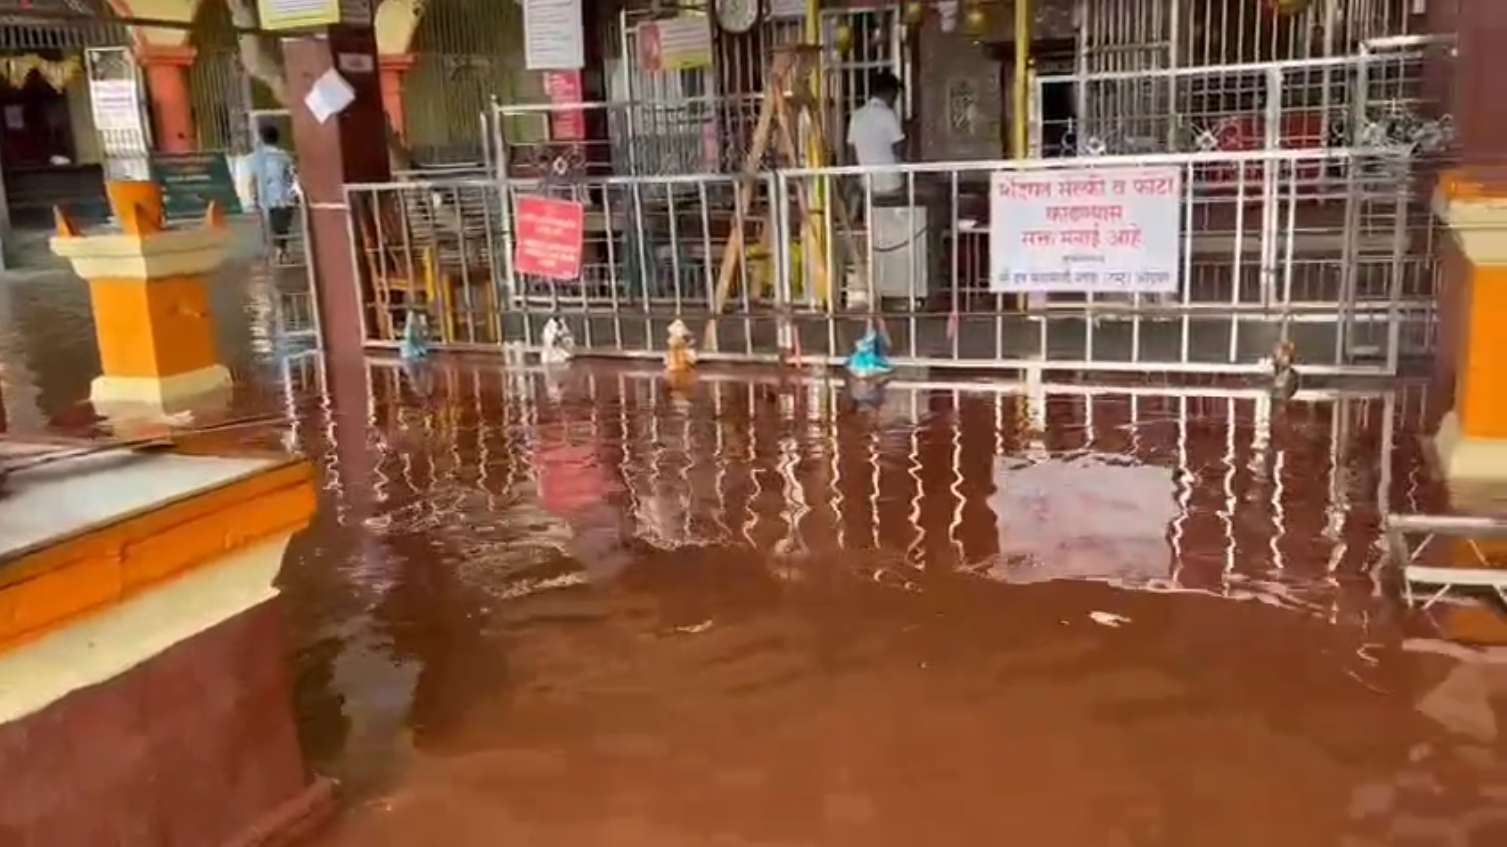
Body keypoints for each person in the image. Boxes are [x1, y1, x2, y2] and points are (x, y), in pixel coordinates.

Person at [846, 71, 907, 198]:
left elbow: (851, 151)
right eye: (895, 95)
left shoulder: (857, 115)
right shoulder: (888, 114)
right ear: (890, 92)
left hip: (867, 182)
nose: (895, 100)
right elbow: (900, 149)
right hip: (891, 182)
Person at [250, 123, 298, 262]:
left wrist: (254, 197)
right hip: (284, 197)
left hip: (266, 198)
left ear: (261, 138)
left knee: (269, 228)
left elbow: (253, 179)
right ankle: (281, 251)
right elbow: (292, 175)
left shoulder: (256, 157)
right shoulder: (284, 155)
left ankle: (277, 253)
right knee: (282, 227)